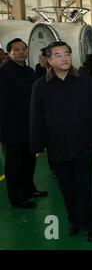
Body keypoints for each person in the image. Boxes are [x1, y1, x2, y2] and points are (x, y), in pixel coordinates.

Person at [30, 41, 92, 242]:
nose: (64, 58)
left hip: (82, 143)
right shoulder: (41, 85)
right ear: (49, 60)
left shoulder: (84, 80)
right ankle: (74, 220)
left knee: (86, 187)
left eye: (67, 54)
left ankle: (90, 224)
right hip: (58, 146)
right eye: (58, 55)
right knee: (67, 188)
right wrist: (38, 144)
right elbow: (36, 117)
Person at [0, 38, 48, 209]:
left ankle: (29, 189)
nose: (21, 52)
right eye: (16, 49)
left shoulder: (28, 71)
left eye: (24, 49)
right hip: (13, 127)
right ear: (9, 53)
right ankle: (17, 197)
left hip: (30, 125)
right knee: (15, 165)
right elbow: (7, 103)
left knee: (29, 161)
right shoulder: (4, 73)